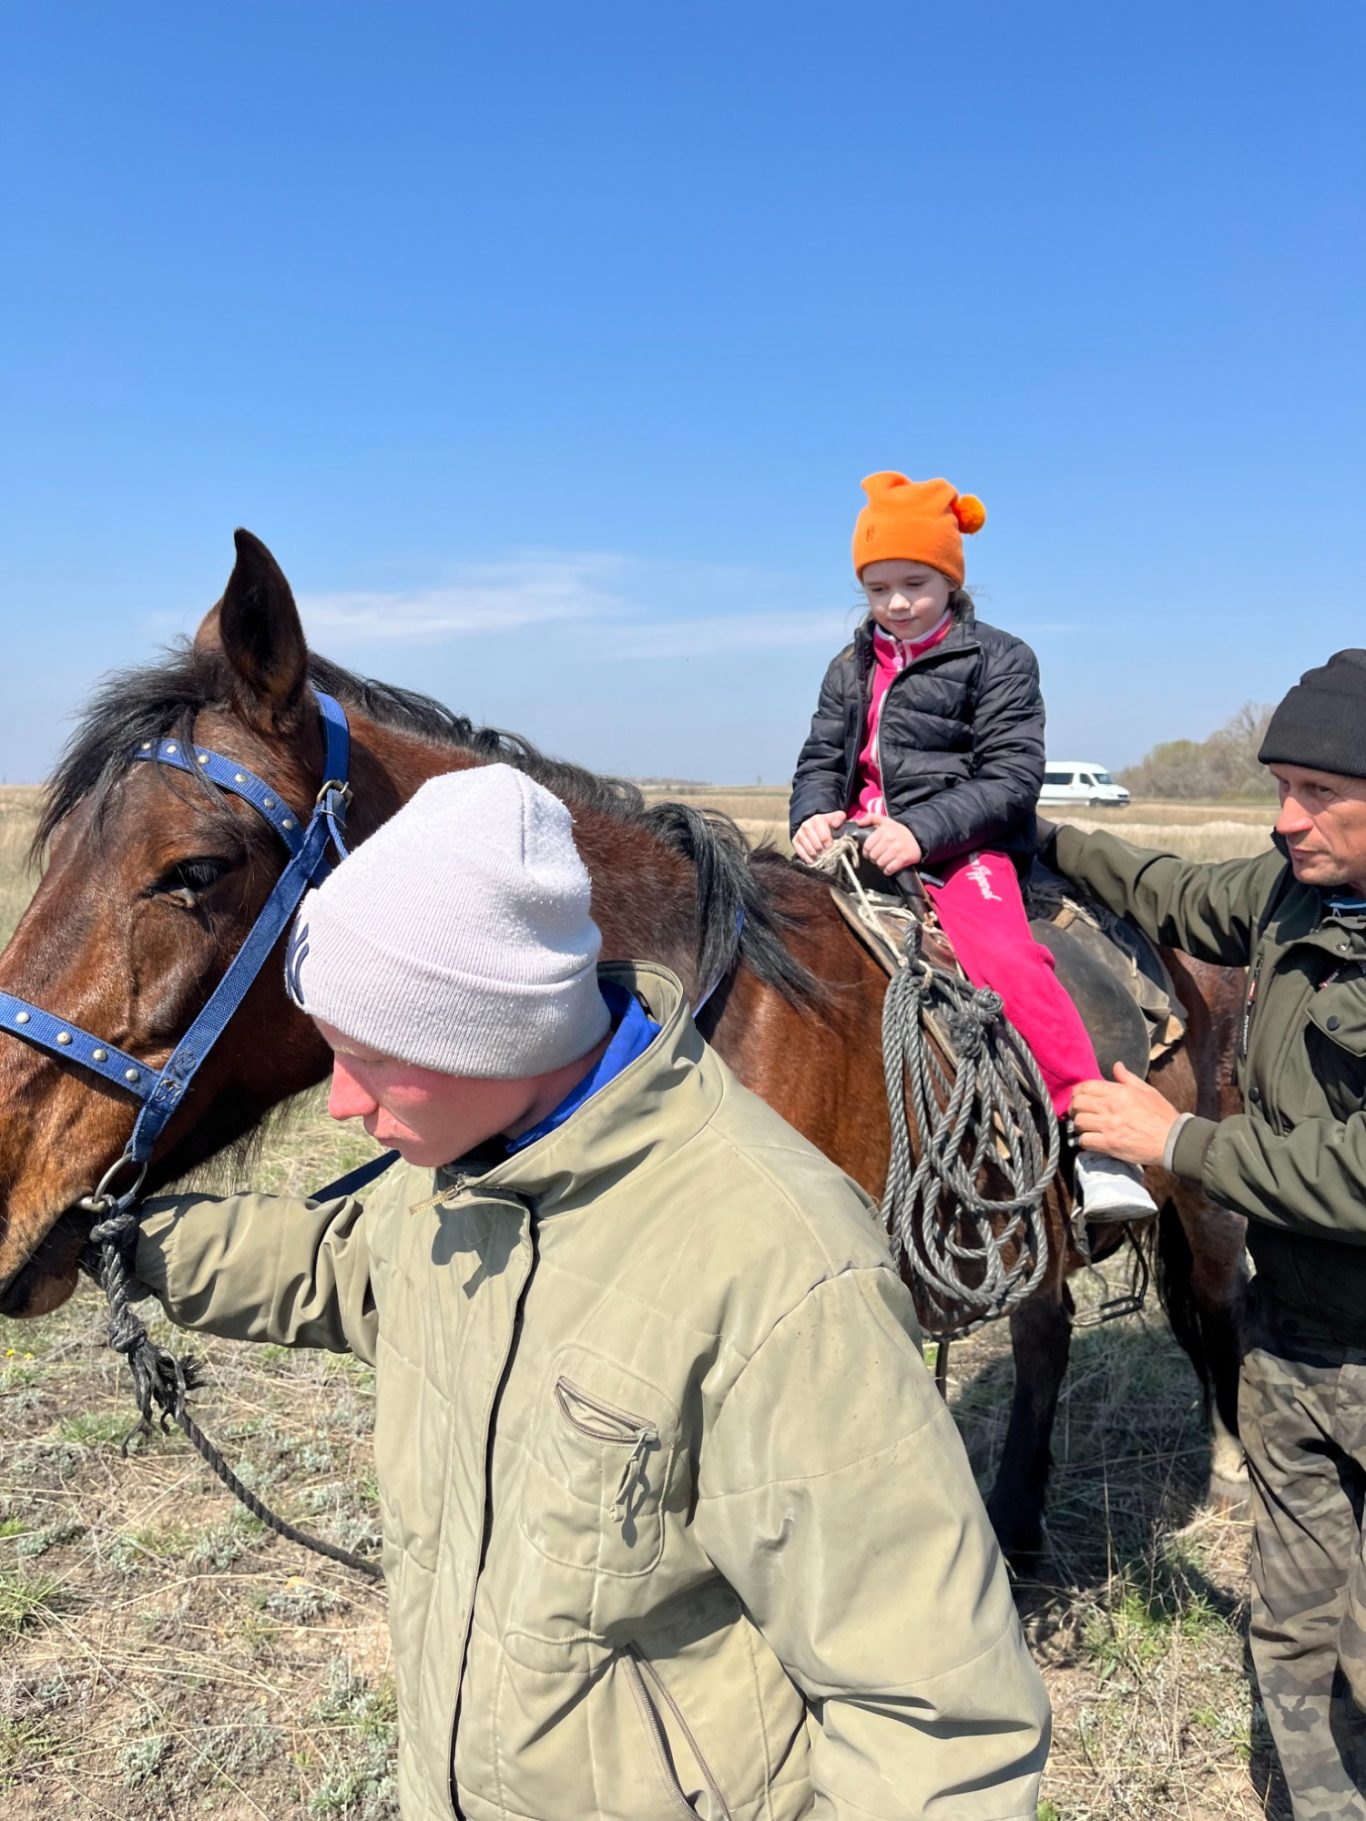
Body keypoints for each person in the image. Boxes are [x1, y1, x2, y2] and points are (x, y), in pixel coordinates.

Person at [130, 762, 1050, 1821]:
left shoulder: (775, 1266)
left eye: (374, 1059)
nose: (342, 1103)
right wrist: (123, 1241)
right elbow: (346, 1270)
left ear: (495, 1031)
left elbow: (935, 1722)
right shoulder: (463, 1168)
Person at [1042, 649, 1366, 1821]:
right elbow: (1173, 888)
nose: (1285, 821)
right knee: (1291, 1624)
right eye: (1276, 786)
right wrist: (1041, 837)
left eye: (1318, 794)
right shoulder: (1295, 894)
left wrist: (1173, 1146)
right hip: (1289, 1342)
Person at [789, 470, 1157, 1222]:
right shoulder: (848, 666)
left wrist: (921, 830)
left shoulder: (999, 659)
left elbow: (1012, 777)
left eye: (914, 583)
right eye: (878, 587)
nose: (895, 603)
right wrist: (813, 813)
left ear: (950, 579)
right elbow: (821, 757)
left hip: (965, 848)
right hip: (860, 845)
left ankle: (1099, 1142)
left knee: (1011, 962)